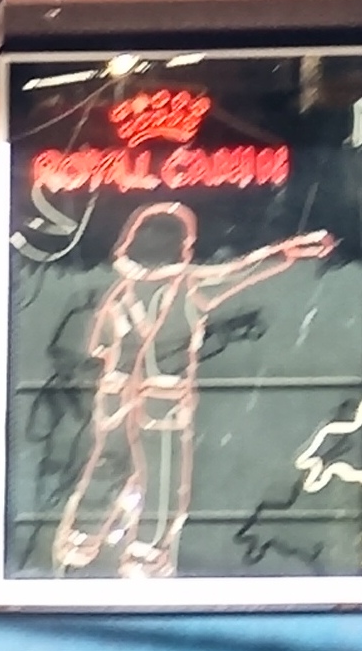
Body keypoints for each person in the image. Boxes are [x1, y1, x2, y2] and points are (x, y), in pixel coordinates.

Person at [52, 202, 334, 577]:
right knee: (162, 479)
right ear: (180, 246)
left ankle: (80, 538)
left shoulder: (121, 295)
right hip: (162, 401)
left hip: (116, 397)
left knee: (108, 466)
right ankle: (146, 554)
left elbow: (99, 348)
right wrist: (287, 253)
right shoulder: (190, 286)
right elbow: (241, 272)